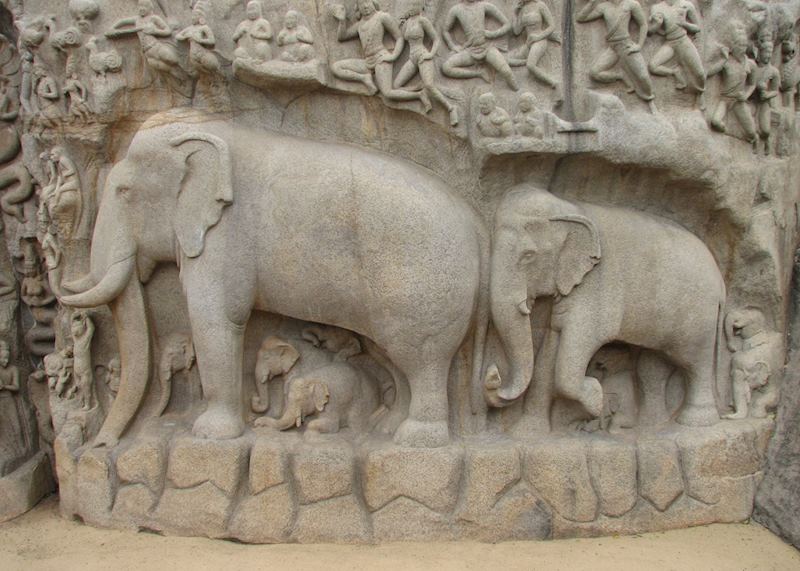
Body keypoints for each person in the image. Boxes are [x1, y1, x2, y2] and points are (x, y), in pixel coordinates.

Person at [330, 0, 430, 109]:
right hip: (368, 61)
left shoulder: (382, 17)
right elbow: (342, 36)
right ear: (357, 7)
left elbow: (399, 37)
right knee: (336, 67)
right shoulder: (360, 24)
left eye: (367, 2)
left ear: (374, 3)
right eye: (361, 4)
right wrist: (342, 20)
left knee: (387, 93)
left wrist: (393, 56)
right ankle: (364, 78)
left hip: (381, 58)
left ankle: (419, 95)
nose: (365, 6)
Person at [576, 0, 657, 112]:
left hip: (627, 45)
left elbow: (643, 24)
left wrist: (639, 45)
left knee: (643, 77)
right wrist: (592, 2)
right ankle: (621, 76)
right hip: (613, 48)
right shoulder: (604, 7)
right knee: (595, 73)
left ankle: (650, 101)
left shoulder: (631, 4)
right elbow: (581, 18)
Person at [394, 0, 459, 125]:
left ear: (421, 7)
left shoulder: (423, 21)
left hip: (423, 55)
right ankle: (419, 92)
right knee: (396, 86)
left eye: (415, 5)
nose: (413, 7)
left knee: (429, 85)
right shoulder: (407, 23)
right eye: (411, 4)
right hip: (411, 58)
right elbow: (401, 40)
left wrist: (430, 54)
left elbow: (436, 39)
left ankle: (451, 108)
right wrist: (399, 26)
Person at [442, 0, 519, 90]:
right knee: (446, 67)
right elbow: (445, 30)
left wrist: (492, 33)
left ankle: (517, 91)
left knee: (507, 72)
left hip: (487, 48)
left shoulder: (484, 6)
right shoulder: (456, 9)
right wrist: (452, 46)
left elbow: (507, 24)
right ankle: (478, 73)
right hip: (470, 51)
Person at [706, 21, 757, 143]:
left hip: (738, 101)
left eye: (744, 45)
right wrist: (724, 59)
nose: (742, 48)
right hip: (725, 99)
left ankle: (743, 138)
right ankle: (731, 134)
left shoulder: (750, 64)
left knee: (751, 133)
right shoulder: (727, 62)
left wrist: (746, 95)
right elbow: (709, 73)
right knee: (715, 122)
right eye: (740, 45)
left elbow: (752, 84)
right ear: (733, 45)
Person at [647, 0, 705, 96]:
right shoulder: (656, 8)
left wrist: (684, 24)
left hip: (684, 41)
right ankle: (675, 72)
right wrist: (657, 25)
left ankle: (700, 95)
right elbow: (650, 32)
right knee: (653, 66)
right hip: (670, 43)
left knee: (700, 73)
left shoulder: (686, 5)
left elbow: (697, 28)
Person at [508, 0, 561, 97]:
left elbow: (552, 26)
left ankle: (554, 83)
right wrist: (515, 13)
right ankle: (522, 63)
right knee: (506, 59)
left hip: (539, 41)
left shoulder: (540, 5)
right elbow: (517, 31)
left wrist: (539, 36)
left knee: (530, 65)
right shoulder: (523, 9)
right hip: (528, 43)